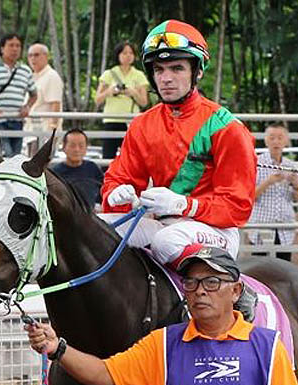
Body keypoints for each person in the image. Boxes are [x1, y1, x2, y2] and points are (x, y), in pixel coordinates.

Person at [25, 246, 298, 385]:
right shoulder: (163, 345)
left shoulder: (268, 348)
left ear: (235, 291)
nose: (200, 291)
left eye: (211, 281)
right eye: (191, 282)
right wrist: (57, 348)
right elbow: (103, 373)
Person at [100, 20, 256, 272]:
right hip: (161, 223)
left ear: (198, 71)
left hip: (216, 230)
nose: (166, 78)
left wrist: (184, 205)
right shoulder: (142, 124)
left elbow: (237, 208)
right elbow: (118, 179)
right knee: (98, 228)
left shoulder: (227, 127)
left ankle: (236, 292)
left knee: (166, 241)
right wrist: (116, 193)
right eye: (159, 70)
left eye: (177, 68)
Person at [248, 123, 298, 261]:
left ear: (286, 141)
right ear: (266, 140)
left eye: (280, 138)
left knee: (284, 268)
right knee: (260, 268)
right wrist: (269, 181)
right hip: (261, 224)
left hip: (285, 226)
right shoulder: (256, 163)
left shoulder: (291, 165)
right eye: (272, 138)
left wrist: (296, 185)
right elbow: (249, 197)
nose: (276, 142)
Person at [95, 41, 149, 159]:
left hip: (131, 121)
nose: (128, 56)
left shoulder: (139, 75)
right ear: (118, 55)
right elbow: (97, 100)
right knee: (108, 156)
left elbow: (144, 102)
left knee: (132, 156)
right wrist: (109, 91)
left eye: (130, 53)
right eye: (124, 53)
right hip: (111, 120)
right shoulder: (109, 74)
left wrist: (133, 92)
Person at [25, 43, 64, 155]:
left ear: (46, 57)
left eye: (36, 55)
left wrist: (52, 132)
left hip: (44, 132)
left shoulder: (51, 76)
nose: (33, 58)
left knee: (38, 168)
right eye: (30, 55)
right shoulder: (32, 76)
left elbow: (55, 104)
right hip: (31, 131)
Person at [51, 128, 104, 208]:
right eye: (72, 145)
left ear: (86, 148)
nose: (77, 149)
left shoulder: (93, 169)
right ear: (64, 148)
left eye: (81, 146)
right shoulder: (55, 173)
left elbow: (103, 193)